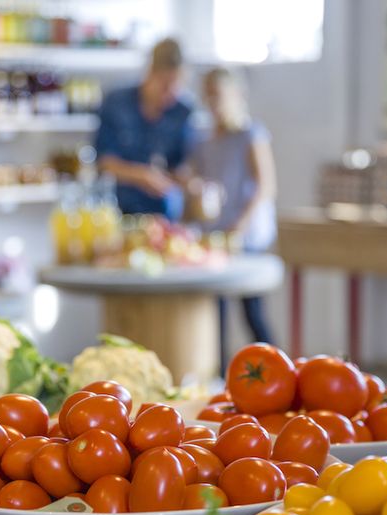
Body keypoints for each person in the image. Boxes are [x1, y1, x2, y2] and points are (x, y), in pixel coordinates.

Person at [188, 67, 278, 369]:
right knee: (217, 311)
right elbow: (198, 182)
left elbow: (265, 185)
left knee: (252, 309)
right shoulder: (204, 140)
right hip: (216, 234)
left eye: (219, 96)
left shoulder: (251, 134)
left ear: (236, 96)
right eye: (209, 96)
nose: (214, 103)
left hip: (246, 237)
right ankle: (222, 377)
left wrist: (240, 224)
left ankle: (276, 369)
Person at [94, 38, 194, 219]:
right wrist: (141, 176)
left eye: (176, 86)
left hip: (165, 215)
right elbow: (104, 163)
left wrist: (191, 184)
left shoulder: (182, 111)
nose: (170, 93)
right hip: (118, 210)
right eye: (165, 85)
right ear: (150, 74)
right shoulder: (117, 103)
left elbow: (179, 167)